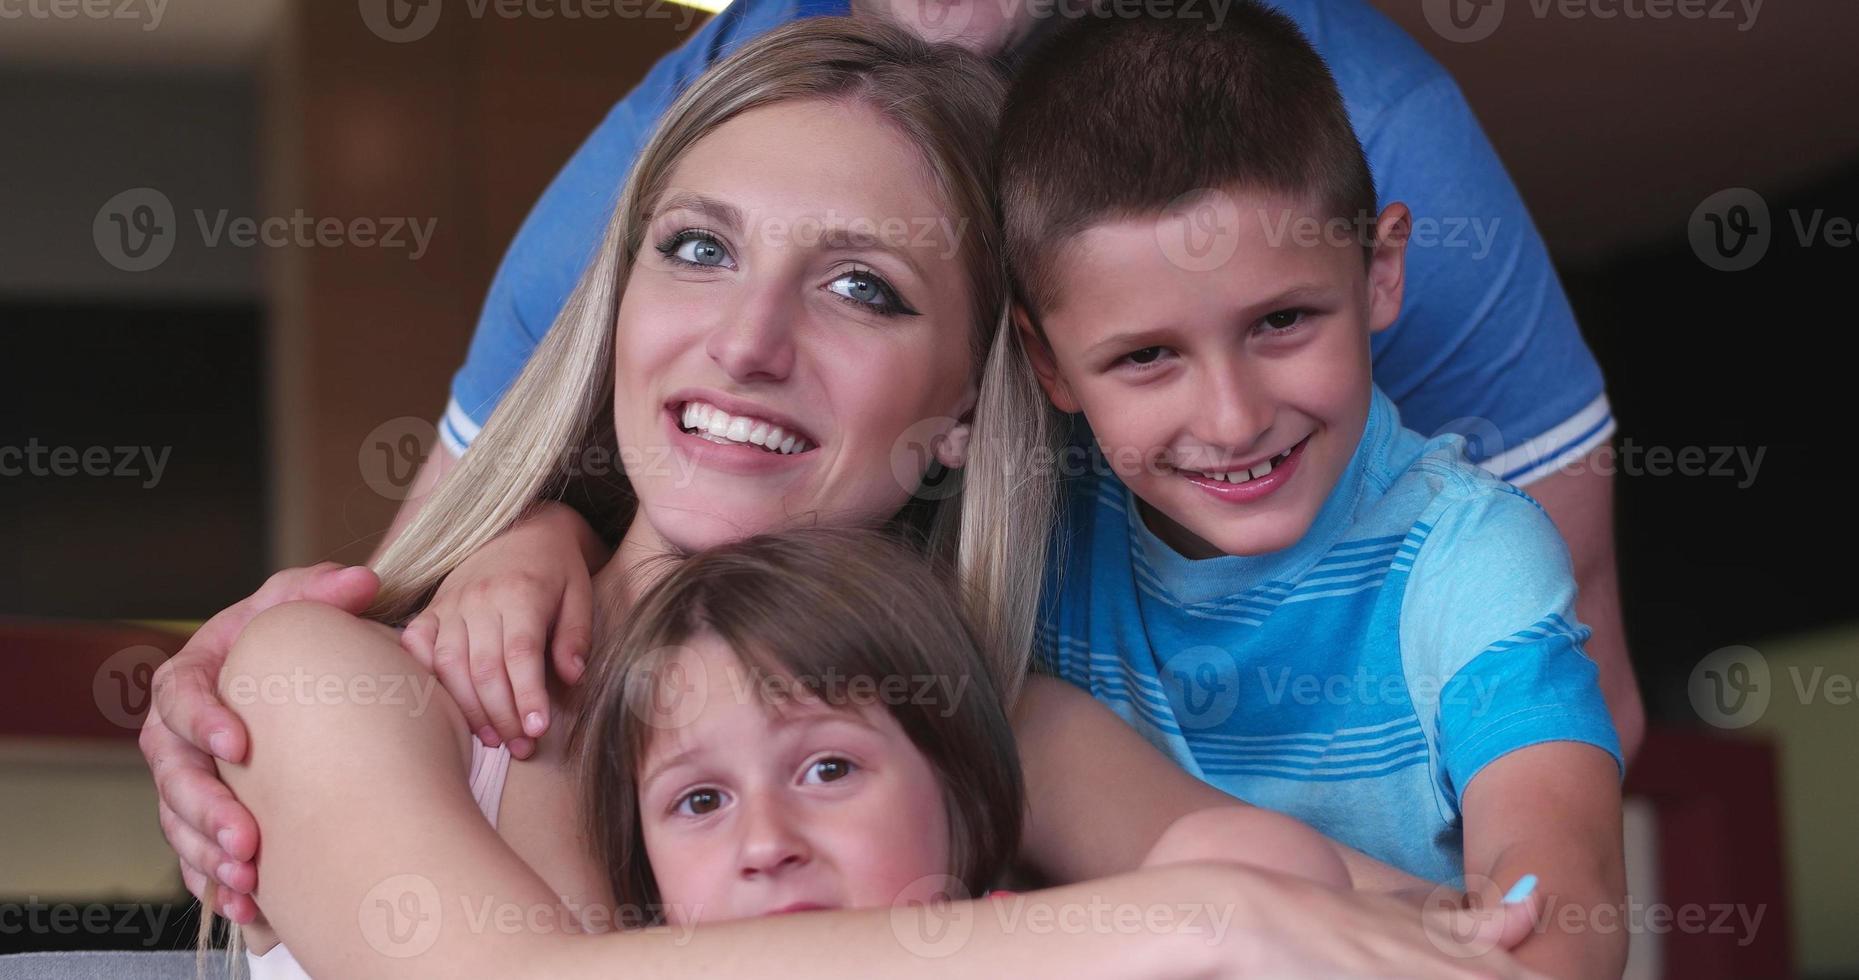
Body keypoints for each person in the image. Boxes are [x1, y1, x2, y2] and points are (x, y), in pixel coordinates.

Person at [171, 19, 1531, 978]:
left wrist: (1274, 899)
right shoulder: (330, 676)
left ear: (965, 409)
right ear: (619, 306)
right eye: (697, 249)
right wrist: (1202, 925)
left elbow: (1418, 928)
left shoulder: (977, 707)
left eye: (859, 286)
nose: (748, 340)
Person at [998, 6, 1627, 976]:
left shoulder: (1467, 555)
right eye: (1147, 356)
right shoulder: (1027, 541)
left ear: (1378, 271)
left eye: (1281, 320)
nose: (1231, 415)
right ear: (1046, 363)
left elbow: (1559, 920)